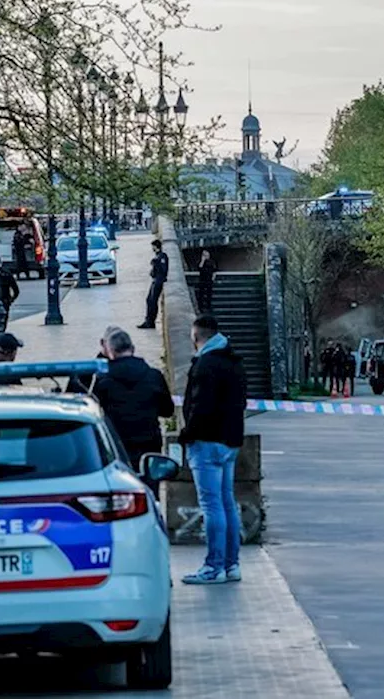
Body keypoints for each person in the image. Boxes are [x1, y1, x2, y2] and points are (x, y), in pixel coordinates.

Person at [179, 315, 247, 585]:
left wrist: (187, 435)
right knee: (227, 502)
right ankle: (232, 564)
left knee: (211, 505)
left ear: (197, 337)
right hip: (230, 440)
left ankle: (213, 566)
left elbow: (200, 407)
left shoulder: (205, 364)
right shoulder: (233, 361)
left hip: (207, 442)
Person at [91, 329, 175, 488]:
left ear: (110, 352)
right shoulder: (153, 376)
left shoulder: (103, 380)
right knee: (150, 487)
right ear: (133, 348)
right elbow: (167, 410)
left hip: (118, 443)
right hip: (149, 442)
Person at [138, 240, 170, 329]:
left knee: (153, 301)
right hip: (155, 280)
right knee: (149, 300)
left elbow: (163, 270)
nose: (152, 248)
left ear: (156, 246)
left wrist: (156, 264)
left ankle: (150, 321)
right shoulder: (158, 256)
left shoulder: (162, 256)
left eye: (153, 246)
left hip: (158, 281)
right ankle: (148, 320)